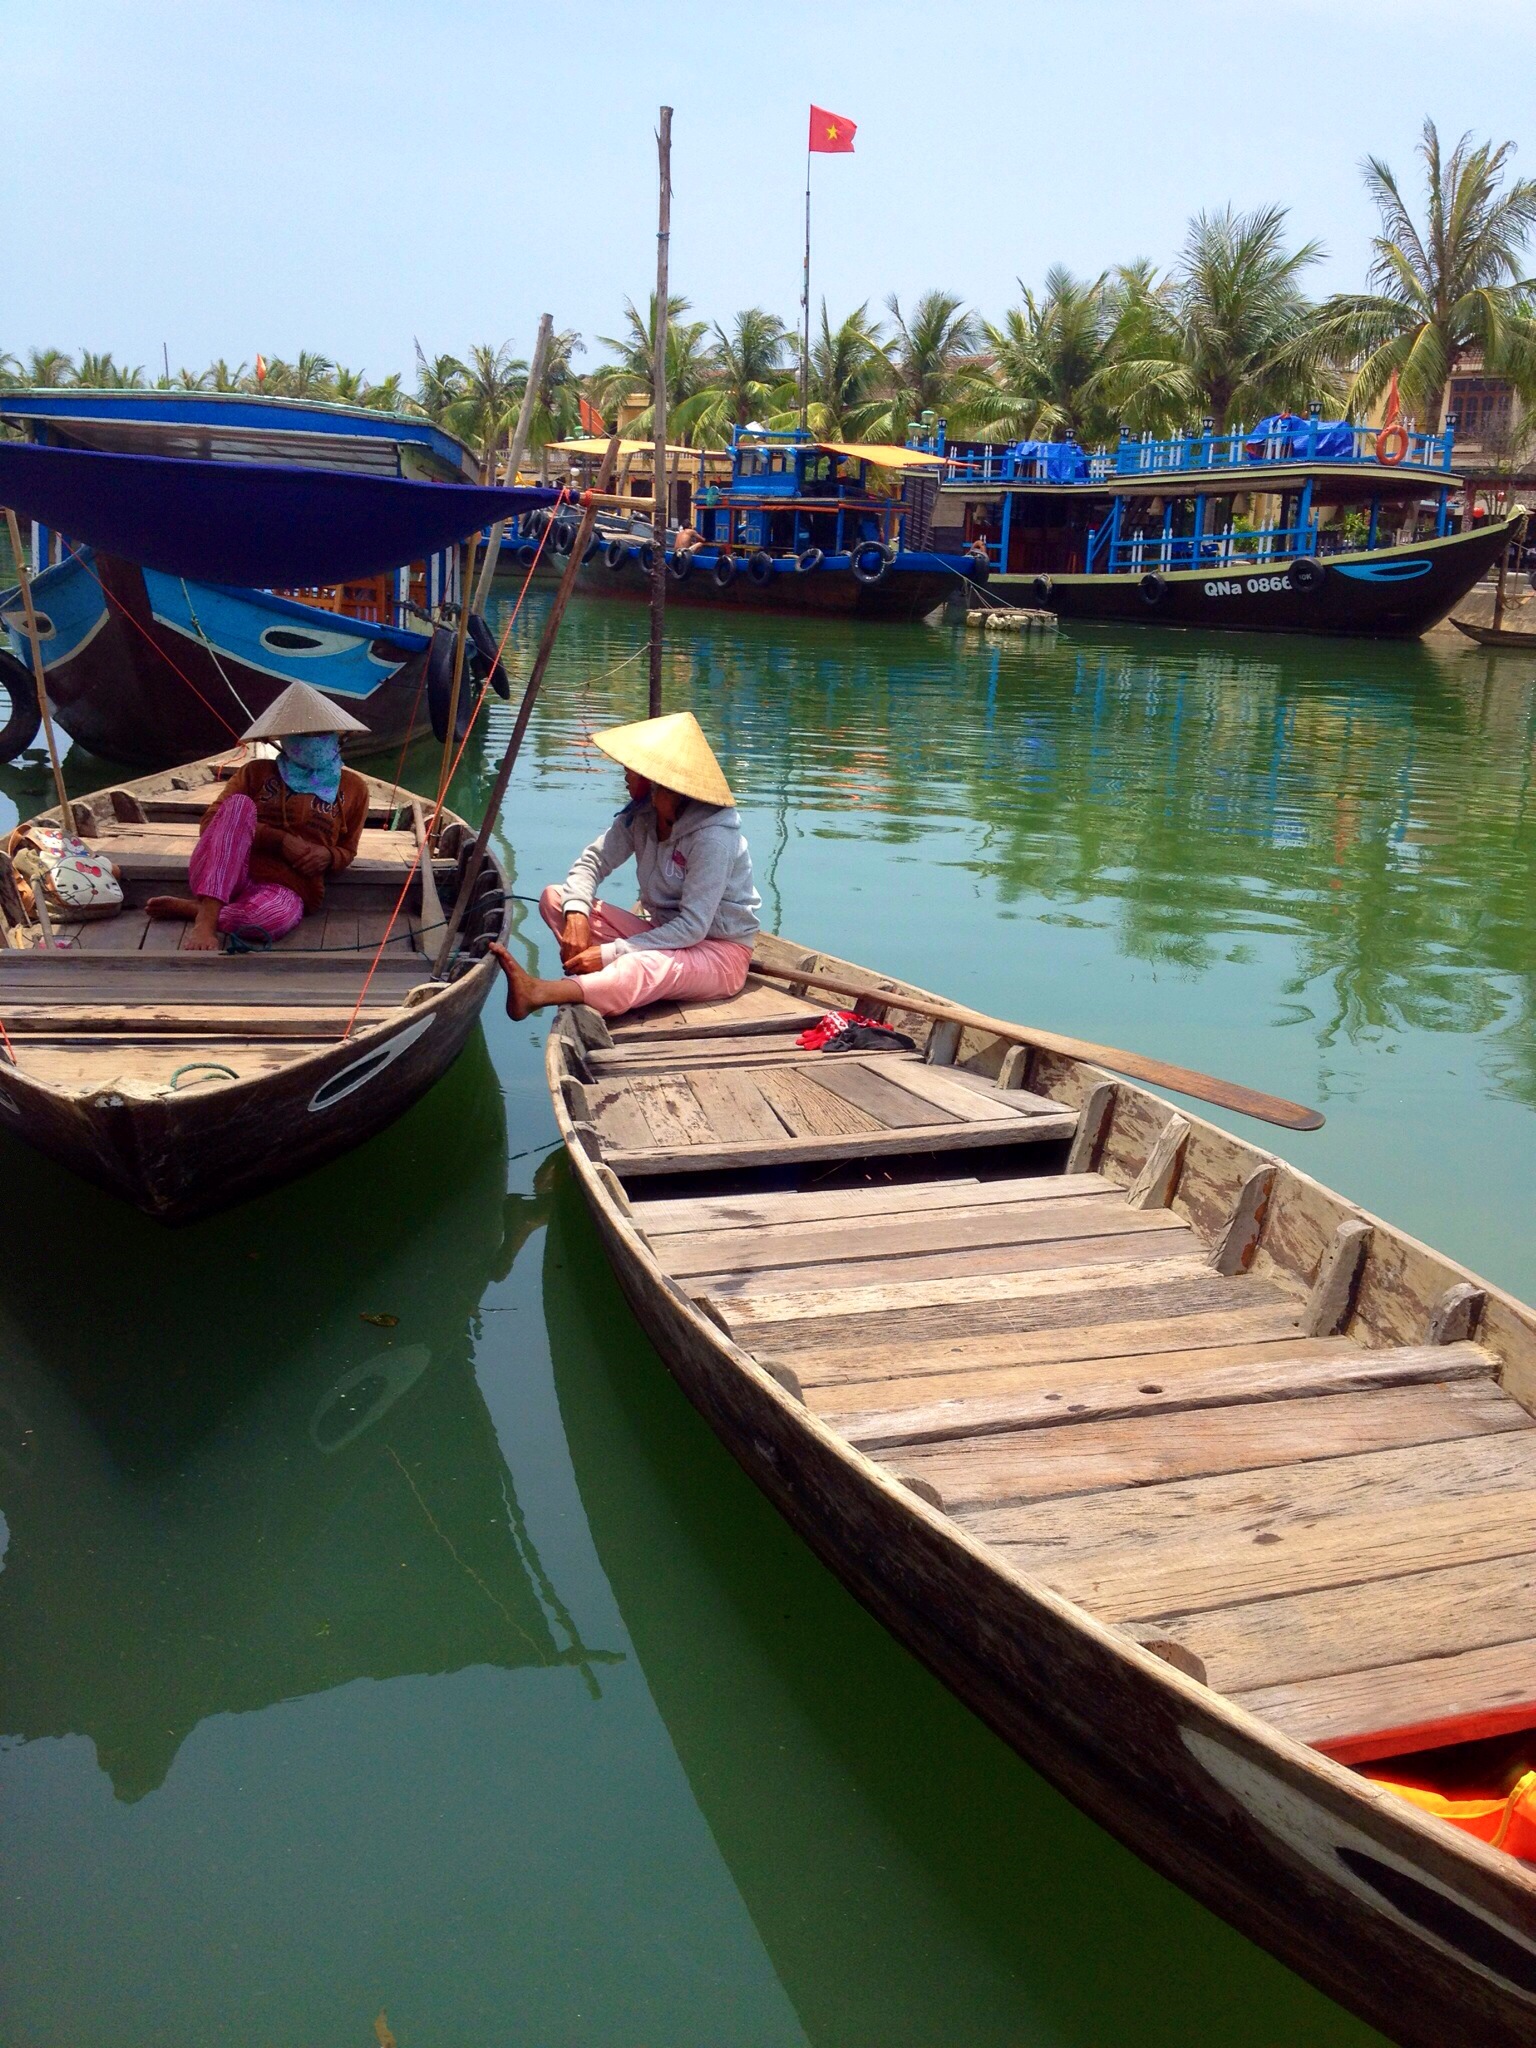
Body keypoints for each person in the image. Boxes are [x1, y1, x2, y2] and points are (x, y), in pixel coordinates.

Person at [490, 710, 760, 1020]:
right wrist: (576, 913)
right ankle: (601, 982)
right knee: (556, 898)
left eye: (633, 769)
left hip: (718, 953)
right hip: (661, 934)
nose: (626, 774)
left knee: (637, 965)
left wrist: (611, 953)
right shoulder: (641, 816)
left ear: (661, 784)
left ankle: (542, 993)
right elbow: (593, 862)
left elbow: (692, 928)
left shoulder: (713, 838)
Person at [146, 680, 371, 952]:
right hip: (227, 870)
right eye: (303, 736)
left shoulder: (354, 788)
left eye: (321, 735)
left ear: (337, 738)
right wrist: (279, 841)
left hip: (288, 885)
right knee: (239, 806)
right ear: (284, 741)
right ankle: (206, 919)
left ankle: (194, 909)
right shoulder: (255, 773)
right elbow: (210, 824)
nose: (313, 742)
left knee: (270, 921)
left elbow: (348, 850)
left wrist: (329, 856)